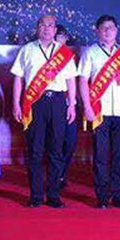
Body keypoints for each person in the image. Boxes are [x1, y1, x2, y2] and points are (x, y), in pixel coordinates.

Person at [11, 15, 77, 208]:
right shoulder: (27, 49)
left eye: (50, 25)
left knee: (56, 149)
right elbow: (18, 79)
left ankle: (54, 195)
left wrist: (71, 104)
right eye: (43, 25)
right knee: (35, 149)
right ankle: (36, 196)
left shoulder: (63, 52)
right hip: (35, 102)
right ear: (37, 28)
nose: (47, 28)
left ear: (55, 30)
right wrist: (16, 104)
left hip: (58, 101)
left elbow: (71, 80)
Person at [78, 15, 120, 209]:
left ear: (116, 30)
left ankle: (119, 195)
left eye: (111, 28)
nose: (107, 31)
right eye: (103, 28)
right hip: (99, 112)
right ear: (97, 31)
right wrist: (87, 107)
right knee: (101, 156)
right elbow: (83, 81)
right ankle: (102, 196)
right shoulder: (90, 53)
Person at [56, 25, 77, 189]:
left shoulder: (70, 57)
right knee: (54, 142)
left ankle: (62, 173)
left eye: (63, 36)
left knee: (70, 142)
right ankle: (55, 175)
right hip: (52, 104)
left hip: (69, 105)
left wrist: (73, 104)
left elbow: (74, 82)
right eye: (58, 36)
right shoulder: (45, 56)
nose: (60, 39)